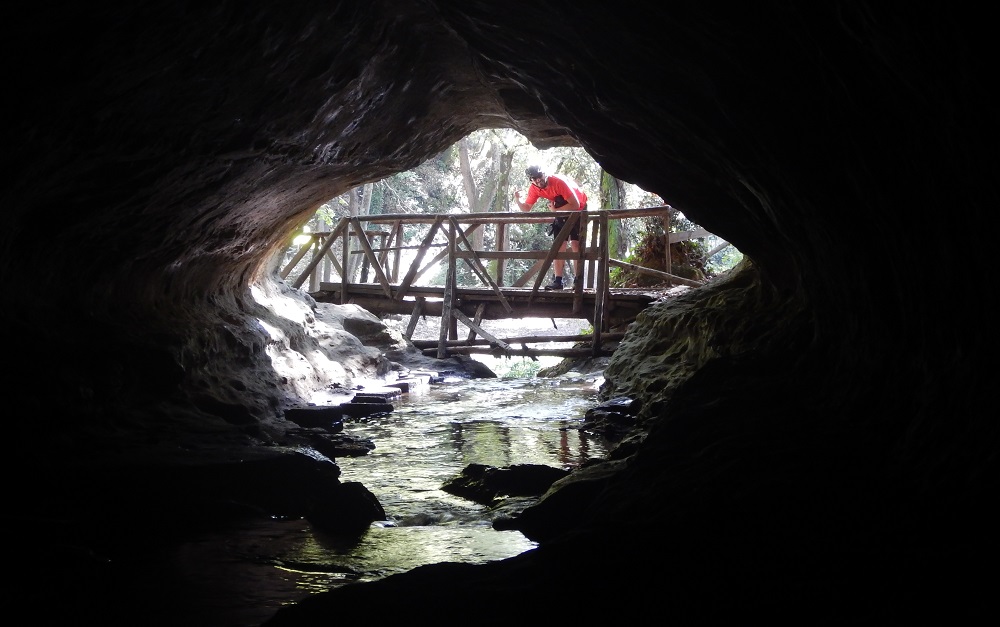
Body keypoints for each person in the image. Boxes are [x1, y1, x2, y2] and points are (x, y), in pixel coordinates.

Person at [513, 165, 588, 290]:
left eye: (539, 176)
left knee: (576, 244)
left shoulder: (558, 182)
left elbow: (575, 204)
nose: (538, 180)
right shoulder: (534, 188)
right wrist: (517, 200)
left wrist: (555, 210)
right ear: (531, 180)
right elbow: (526, 208)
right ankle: (558, 281)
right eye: (534, 178)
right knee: (559, 246)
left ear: (544, 174)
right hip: (559, 208)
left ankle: (578, 280)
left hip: (578, 208)